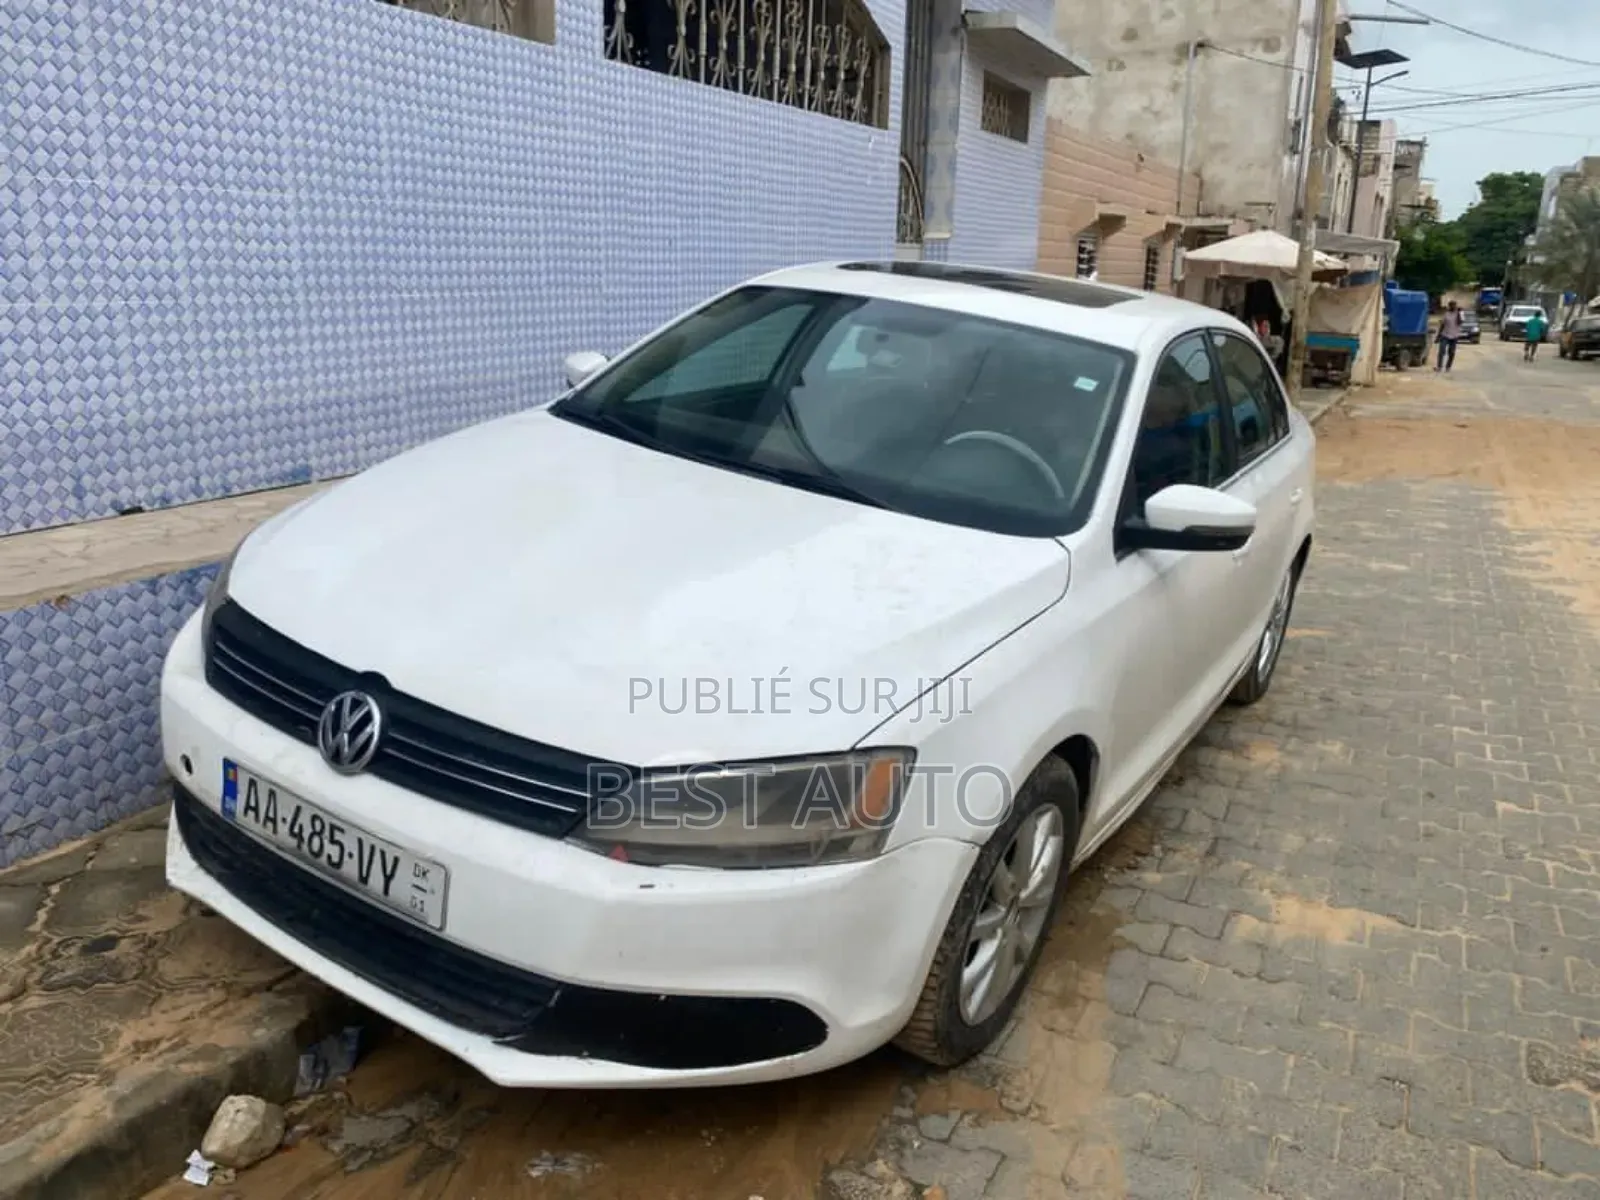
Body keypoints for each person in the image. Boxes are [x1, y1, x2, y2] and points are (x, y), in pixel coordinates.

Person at [1435, 301, 1463, 372]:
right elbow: (1442, 325)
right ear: (1449, 306)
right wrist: (1438, 336)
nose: (1453, 307)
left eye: (1454, 305)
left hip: (1454, 336)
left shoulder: (1459, 314)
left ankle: (1448, 367)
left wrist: (1459, 313)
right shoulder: (1446, 314)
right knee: (1441, 351)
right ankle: (1439, 367)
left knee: (1451, 352)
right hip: (1445, 335)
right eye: (1452, 306)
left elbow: (1460, 322)